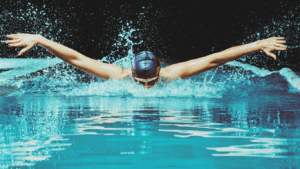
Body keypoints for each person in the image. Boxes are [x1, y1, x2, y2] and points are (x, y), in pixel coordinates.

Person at [2, 33, 286, 89]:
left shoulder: (174, 74)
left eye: (152, 81)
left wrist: (258, 44)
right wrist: (40, 39)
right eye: (142, 82)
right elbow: (77, 59)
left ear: (161, 70)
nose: (147, 88)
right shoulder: (118, 75)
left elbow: (215, 59)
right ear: (132, 75)